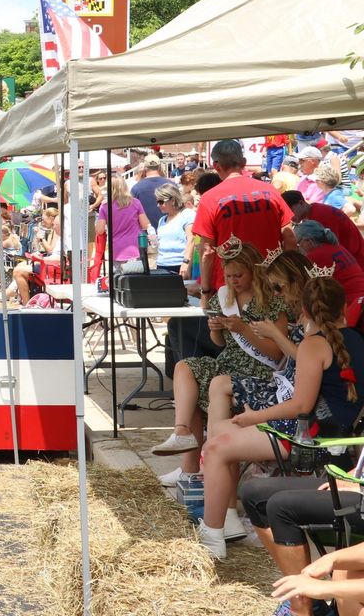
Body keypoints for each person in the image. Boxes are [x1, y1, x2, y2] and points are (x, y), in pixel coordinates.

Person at [198, 277, 364, 561]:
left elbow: (299, 405)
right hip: (337, 434)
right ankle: (225, 519)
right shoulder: (357, 339)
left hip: (309, 438)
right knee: (220, 432)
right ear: (344, 307)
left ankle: (212, 536)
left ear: (306, 311)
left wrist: (254, 417)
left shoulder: (314, 345)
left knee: (215, 446)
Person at [151, 239, 287, 471]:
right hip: (229, 363)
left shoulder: (272, 303)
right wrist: (216, 330)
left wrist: (244, 329)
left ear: (254, 271)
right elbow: (220, 344)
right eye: (229, 276)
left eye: (239, 275)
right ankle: (182, 433)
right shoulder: (225, 297)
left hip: (260, 372)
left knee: (198, 390)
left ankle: (192, 469)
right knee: (185, 367)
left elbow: (277, 354)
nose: (234, 281)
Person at [193, 139, 294, 312]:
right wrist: (288, 281)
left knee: (230, 338)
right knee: (273, 336)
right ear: (244, 163)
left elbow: (207, 252)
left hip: (231, 289)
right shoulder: (270, 191)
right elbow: (290, 238)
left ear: (216, 166)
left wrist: (206, 291)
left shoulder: (210, 198)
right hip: (271, 283)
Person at [294, 220, 364, 328]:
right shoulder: (338, 247)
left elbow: (305, 291)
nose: (298, 248)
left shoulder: (313, 256)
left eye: (299, 243)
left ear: (308, 240)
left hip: (352, 306)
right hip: (358, 299)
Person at [284, 189, 364, 268]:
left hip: (356, 260)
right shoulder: (316, 210)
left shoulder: (321, 216)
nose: (289, 216)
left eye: (291, 211)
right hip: (351, 258)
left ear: (301, 203)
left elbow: (328, 249)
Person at [94, 175, 152, 273]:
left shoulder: (105, 206)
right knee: (136, 280)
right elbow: (145, 225)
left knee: (120, 281)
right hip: (136, 248)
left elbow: (99, 231)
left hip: (117, 249)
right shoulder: (135, 203)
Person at [154, 182, 195, 276]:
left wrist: (186, 262)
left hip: (180, 265)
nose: (158, 205)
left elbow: (192, 239)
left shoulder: (187, 214)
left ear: (172, 200)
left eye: (161, 202)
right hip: (161, 265)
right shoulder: (162, 220)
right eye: (157, 202)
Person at [131, 153, 170, 227]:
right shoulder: (171, 185)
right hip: (170, 233)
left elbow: (131, 214)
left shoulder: (136, 188)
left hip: (146, 234)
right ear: (159, 167)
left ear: (145, 168)